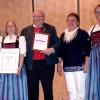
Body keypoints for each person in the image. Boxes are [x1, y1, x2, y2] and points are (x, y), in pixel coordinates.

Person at [21, 10, 60, 100]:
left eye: (40, 16)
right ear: (33, 17)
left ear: (44, 18)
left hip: (46, 64)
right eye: (36, 16)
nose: (38, 18)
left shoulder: (51, 28)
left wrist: (51, 49)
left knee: (48, 90)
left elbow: (58, 43)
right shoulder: (25, 31)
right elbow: (21, 48)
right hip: (31, 65)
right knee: (32, 91)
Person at [57, 13, 91, 100]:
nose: (71, 22)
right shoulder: (63, 35)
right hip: (67, 67)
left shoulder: (83, 33)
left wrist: (86, 64)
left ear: (78, 22)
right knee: (71, 91)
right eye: (69, 20)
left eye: (73, 20)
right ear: (66, 22)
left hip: (80, 66)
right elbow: (60, 52)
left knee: (80, 92)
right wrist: (59, 65)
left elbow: (88, 50)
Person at [0, 20, 28, 100]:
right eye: (8, 26)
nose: (10, 28)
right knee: (5, 89)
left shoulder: (20, 39)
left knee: (17, 89)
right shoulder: (1, 39)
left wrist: (20, 66)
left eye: (12, 26)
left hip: (17, 68)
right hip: (5, 70)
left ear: (15, 28)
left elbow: (22, 53)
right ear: (6, 28)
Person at [85, 4, 100, 100]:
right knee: (96, 82)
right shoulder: (92, 29)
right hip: (95, 59)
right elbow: (87, 46)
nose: (98, 14)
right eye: (97, 12)